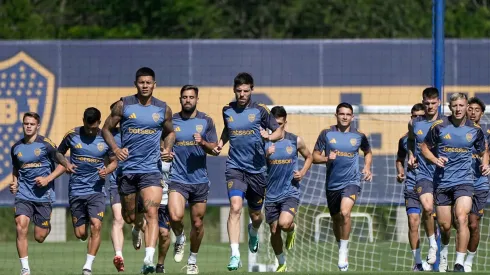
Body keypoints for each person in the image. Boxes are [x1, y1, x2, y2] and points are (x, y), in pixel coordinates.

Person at [102, 67, 175, 273]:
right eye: (141, 82)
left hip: (151, 170)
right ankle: (135, 228)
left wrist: (167, 148)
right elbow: (106, 129)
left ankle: (148, 259)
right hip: (128, 170)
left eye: (148, 82)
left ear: (154, 84)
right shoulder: (123, 105)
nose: (145, 86)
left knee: (152, 212)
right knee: (129, 217)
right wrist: (116, 149)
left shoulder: (163, 109)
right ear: (136, 84)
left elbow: (170, 133)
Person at [212, 72, 282, 270]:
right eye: (239, 91)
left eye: (246, 91)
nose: (242, 94)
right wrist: (220, 143)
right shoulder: (227, 110)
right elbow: (228, 129)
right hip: (235, 167)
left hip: (258, 171)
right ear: (234, 90)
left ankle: (253, 231)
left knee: (256, 216)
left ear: (252, 89)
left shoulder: (260, 110)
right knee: (235, 207)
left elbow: (279, 131)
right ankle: (235, 255)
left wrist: (268, 138)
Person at [421, 93, 489, 272]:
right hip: (442, 182)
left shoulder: (475, 129)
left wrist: (486, 164)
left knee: (462, 217)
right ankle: (443, 251)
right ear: (449, 107)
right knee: (445, 226)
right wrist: (435, 160)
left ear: (466, 106)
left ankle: (460, 263)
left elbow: (484, 151)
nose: (458, 109)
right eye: (455, 106)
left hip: (465, 182)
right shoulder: (439, 126)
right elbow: (424, 147)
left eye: (461, 105)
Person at [56, 107, 117, 275]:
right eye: (87, 125)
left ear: (99, 122)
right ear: (83, 120)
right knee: (81, 234)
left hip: (96, 190)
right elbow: (58, 153)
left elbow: (114, 161)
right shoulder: (72, 135)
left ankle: (87, 267)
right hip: (76, 189)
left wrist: (107, 170)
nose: (90, 129)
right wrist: (66, 164)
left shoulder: (106, 138)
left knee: (97, 226)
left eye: (93, 126)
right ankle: (87, 224)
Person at [312, 102, 373, 272]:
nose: (345, 117)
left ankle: (343, 251)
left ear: (352, 117)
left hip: (351, 182)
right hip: (332, 185)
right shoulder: (326, 133)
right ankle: (341, 244)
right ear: (336, 115)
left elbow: (367, 152)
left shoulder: (359, 136)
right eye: (342, 114)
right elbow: (314, 156)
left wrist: (367, 167)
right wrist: (326, 159)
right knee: (336, 218)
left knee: (345, 212)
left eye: (348, 114)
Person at [167, 85, 218, 274]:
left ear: (197, 99)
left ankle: (192, 260)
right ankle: (179, 237)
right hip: (177, 178)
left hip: (199, 181)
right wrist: (165, 153)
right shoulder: (171, 122)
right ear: (180, 99)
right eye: (184, 97)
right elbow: (163, 145)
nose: (188, 100)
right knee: (175, 216)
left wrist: (203, 142)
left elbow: (214, 148)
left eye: (191, 97)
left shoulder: (206, 121)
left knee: (197, 223)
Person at [10, 112, 66, 275]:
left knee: (39, 237)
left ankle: (46, 225)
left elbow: (62, 164)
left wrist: (48, 179)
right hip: (23, 195)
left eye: (31, 124)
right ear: (22, 125)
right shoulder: (16, 148)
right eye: (26, 123)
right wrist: (15, 183)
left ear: (38, 126)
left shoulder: (46, 145)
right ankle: (25, 269)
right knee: (20, 226)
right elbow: (16, 168)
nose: (28, 126)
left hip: (44, 196)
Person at [264, 106, 313, 272]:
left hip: (289, 192)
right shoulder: (264, 141)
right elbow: (255, 166)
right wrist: (265, 155)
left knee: (284, 224)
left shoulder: (294, 140)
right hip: (271, 194)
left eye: (280, 124)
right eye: (274, 124)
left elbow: (309, 156)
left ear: (285, 122)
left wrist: (302, 172)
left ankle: (292, 228)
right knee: (274, 230)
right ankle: (281, 262)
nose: (277, 127)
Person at [407, 87, 442, 266]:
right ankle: (432, 245)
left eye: (433, 103)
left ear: (439, 103)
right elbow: (411, 141)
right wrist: (411, 155)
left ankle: (446, 257)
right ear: (423, 101)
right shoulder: (415, 123)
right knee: (427, 208)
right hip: (423, 175)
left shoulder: (447, 123)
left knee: (447, 223)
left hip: (445, 177)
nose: (429, 106)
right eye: (426, 103)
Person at [395, 103, 428, 271]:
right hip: (411, 184)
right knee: (413, 221)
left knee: (438, 221)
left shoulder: (432, 136)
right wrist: (401, 172)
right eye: (414, 116)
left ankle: (437, 253)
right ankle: (418, 262)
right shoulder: (403, 140)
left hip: (431, 184)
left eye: (420, 116)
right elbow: (399, 160)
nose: (417, 119)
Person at [463, 97, 490, 272]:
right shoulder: (457, 131)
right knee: (450, 223)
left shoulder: (486, 135)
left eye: (477, 110)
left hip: (479, 183)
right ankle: (445, 257)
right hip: (458, 182)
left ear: (482, 113)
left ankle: (468, 261)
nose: (473, 113)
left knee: (473, 224)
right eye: (470, 109)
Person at [107, 102, 126, 272]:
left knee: (139, 220)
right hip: (116, 183)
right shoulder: (106, 135)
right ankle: (118, 255)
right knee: (118, 219)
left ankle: (136, 229)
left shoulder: (136, 130)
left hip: (138, 181)